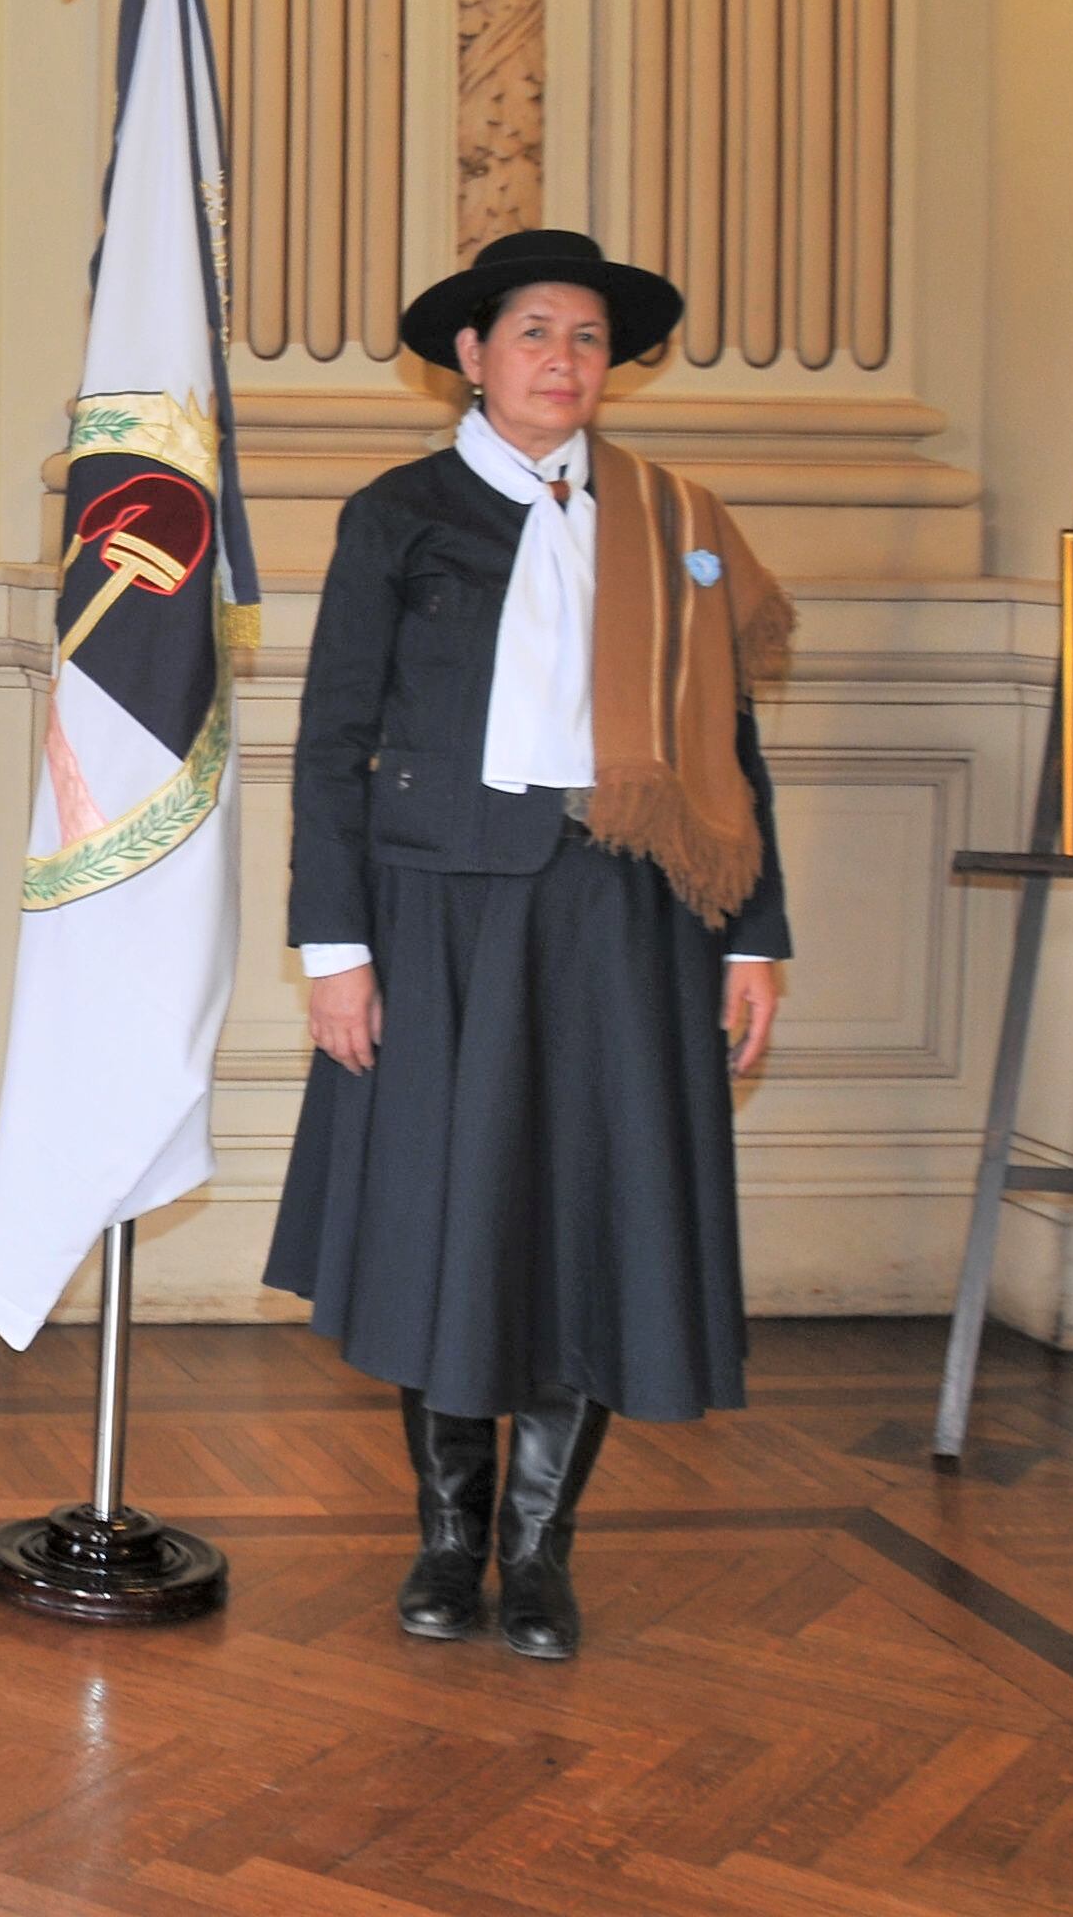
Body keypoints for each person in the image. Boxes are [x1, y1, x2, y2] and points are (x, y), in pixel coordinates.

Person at [268, 229, 793, 1663]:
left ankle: (541, 1553)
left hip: (631, 909)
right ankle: (448, 1540)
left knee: (591, 1215)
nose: (566, 361)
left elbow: (724, 756)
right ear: (475, 356)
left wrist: (752, 938)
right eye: (538, 334)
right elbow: (332, 746)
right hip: (441, 913)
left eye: (587, 339)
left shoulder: (669, 520)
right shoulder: (400, 514)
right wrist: (336, 951)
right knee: (452, 1216)